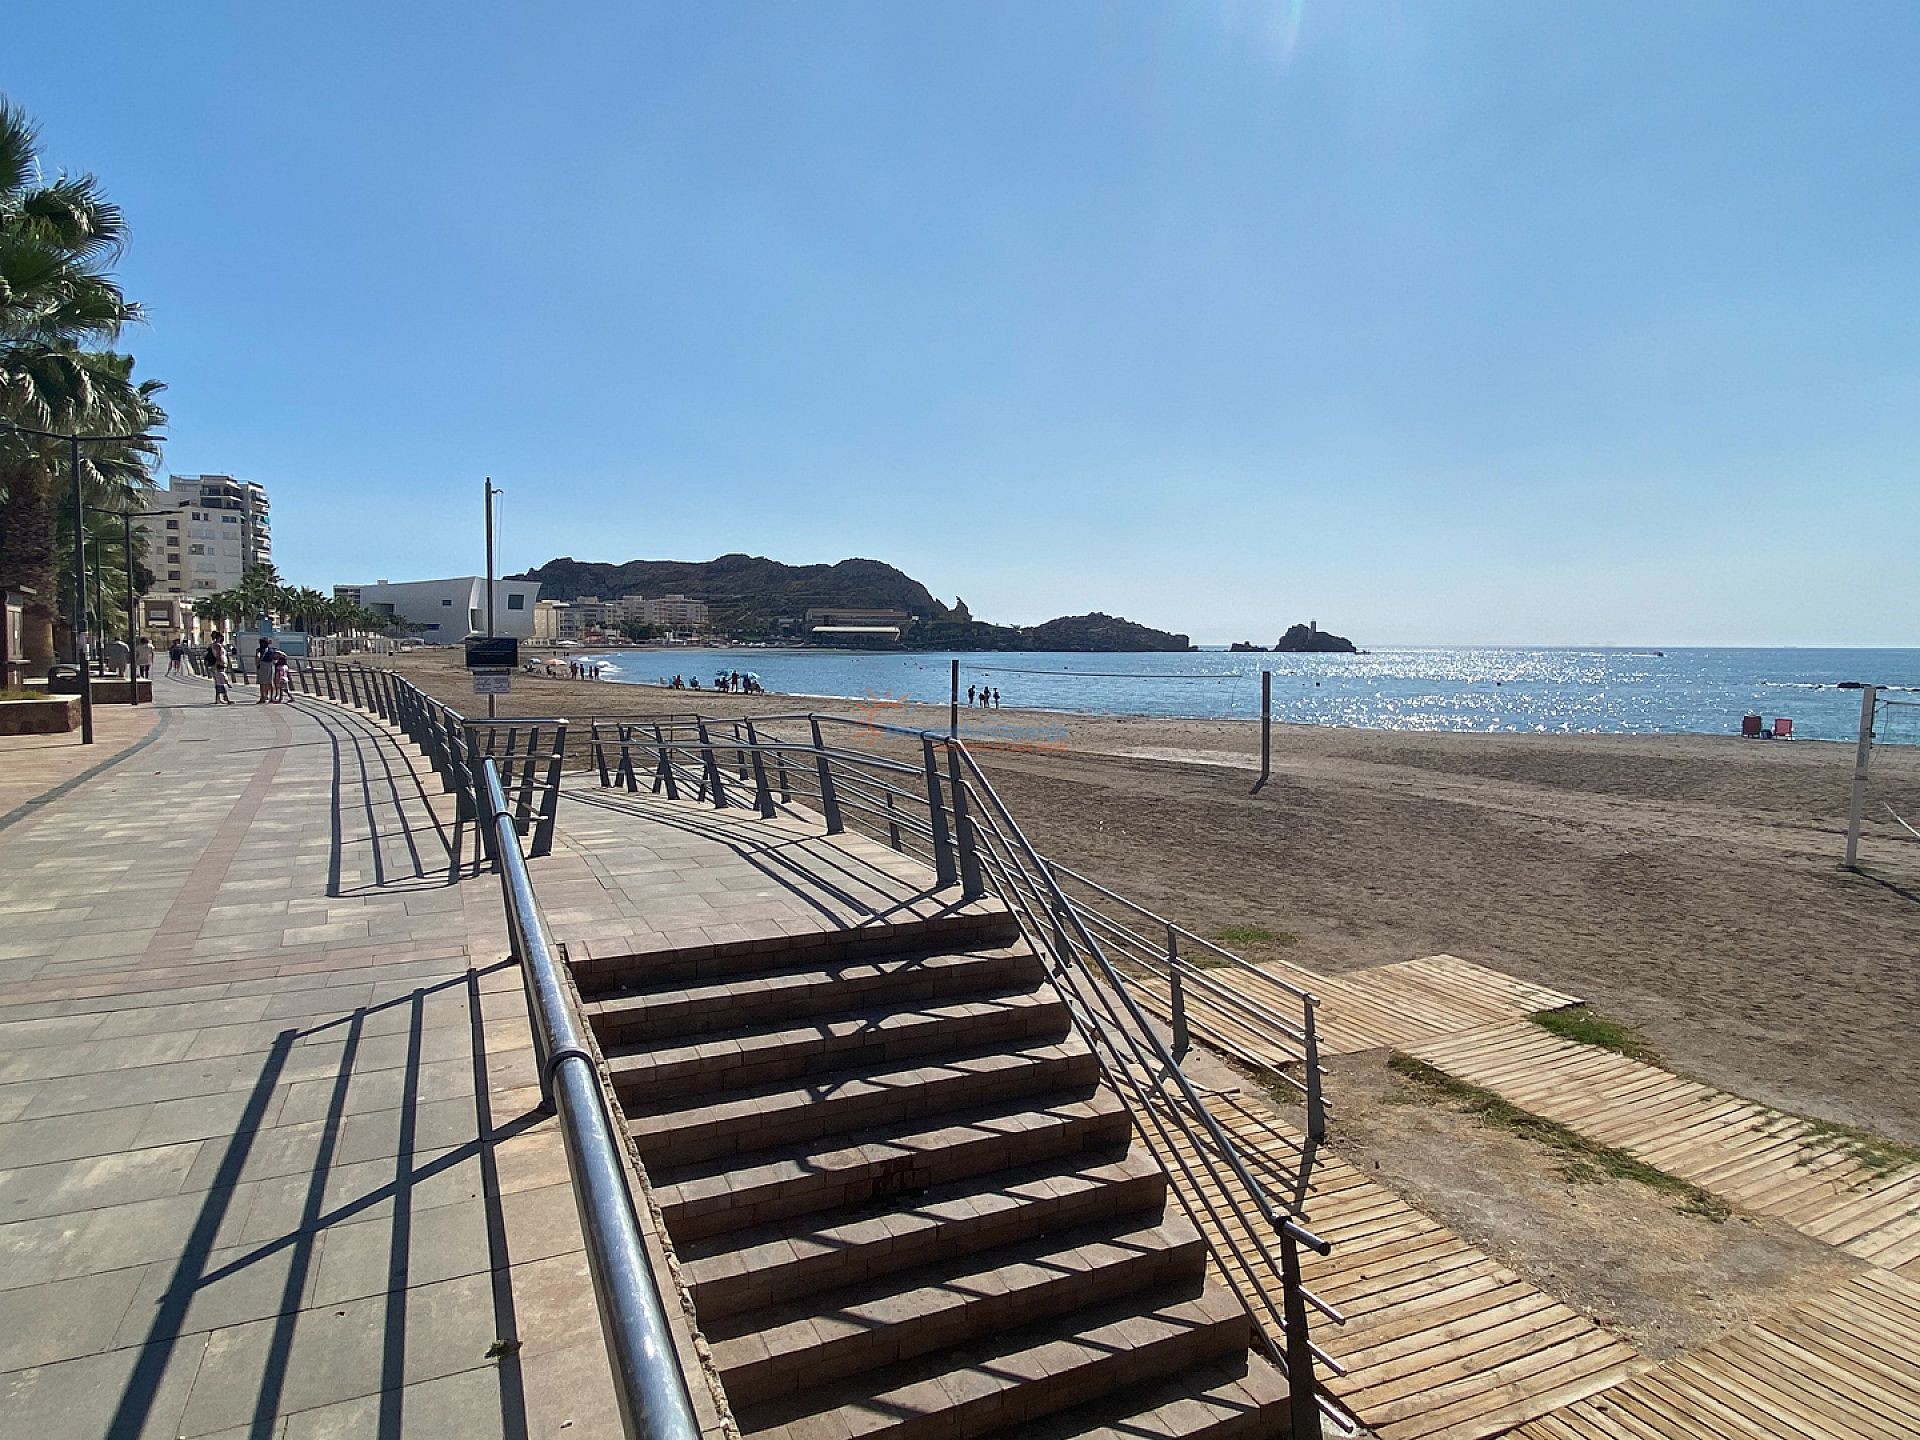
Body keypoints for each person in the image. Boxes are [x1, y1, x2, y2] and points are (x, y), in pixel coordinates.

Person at [208, 633, 235, 704]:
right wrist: (221, 663)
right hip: (219, 665)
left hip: (216, 665)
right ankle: (226, 698)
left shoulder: (213, 645)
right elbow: (219, 655)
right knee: (223, 682)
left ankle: (218, 699)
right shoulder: (218, 646)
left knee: (218, 683)